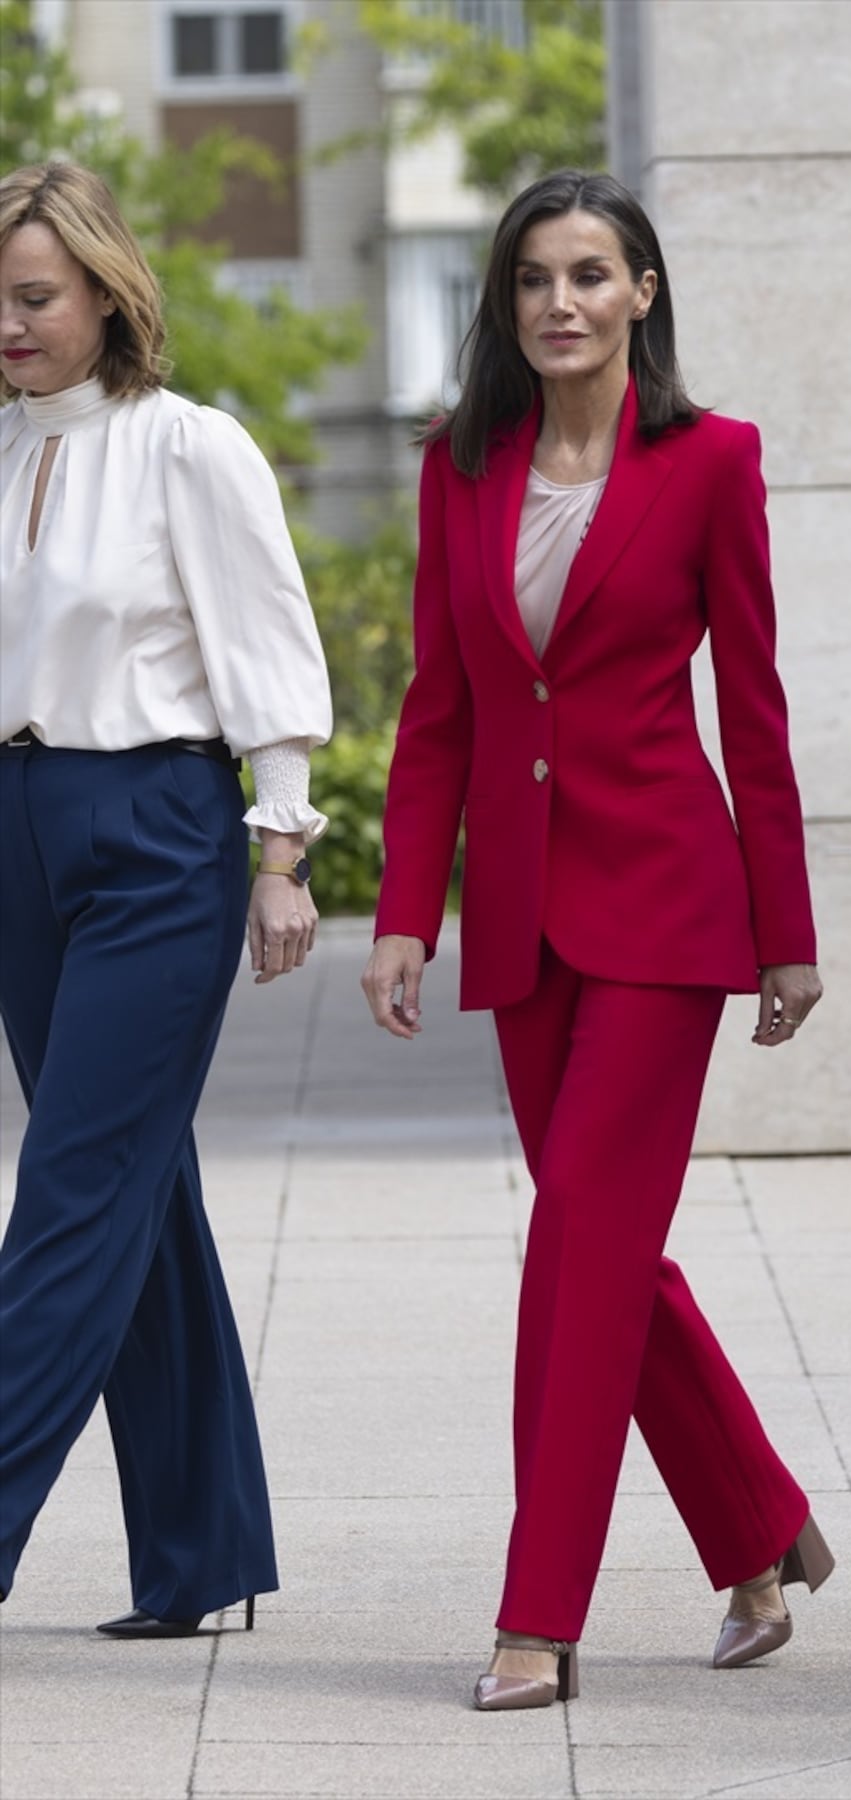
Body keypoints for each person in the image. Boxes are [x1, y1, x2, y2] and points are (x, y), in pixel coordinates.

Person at [362, 169, 833, 1709]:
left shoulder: (713, 464)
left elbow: (751, 709)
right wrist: (404, 916)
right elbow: (439, 714)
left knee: (574, 1244)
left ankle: (537, 1614)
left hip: (666, 909)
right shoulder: (460, 470)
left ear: (642, 292)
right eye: (531, 280)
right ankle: (759, 1529)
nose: (559, 302)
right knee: (608, 1251)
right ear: (505, 306)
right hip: (520, 921)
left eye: (590, 275)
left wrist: (786, 929)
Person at [0, 163, 333, 1636]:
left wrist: (280, 854)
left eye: (33, 297)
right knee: (140, 1187)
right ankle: (200, 1555)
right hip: (15, 828)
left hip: (155, 832)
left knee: (71, 1188)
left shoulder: (189, 448)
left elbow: (269, 652)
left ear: (105, 294)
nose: (9, 326)